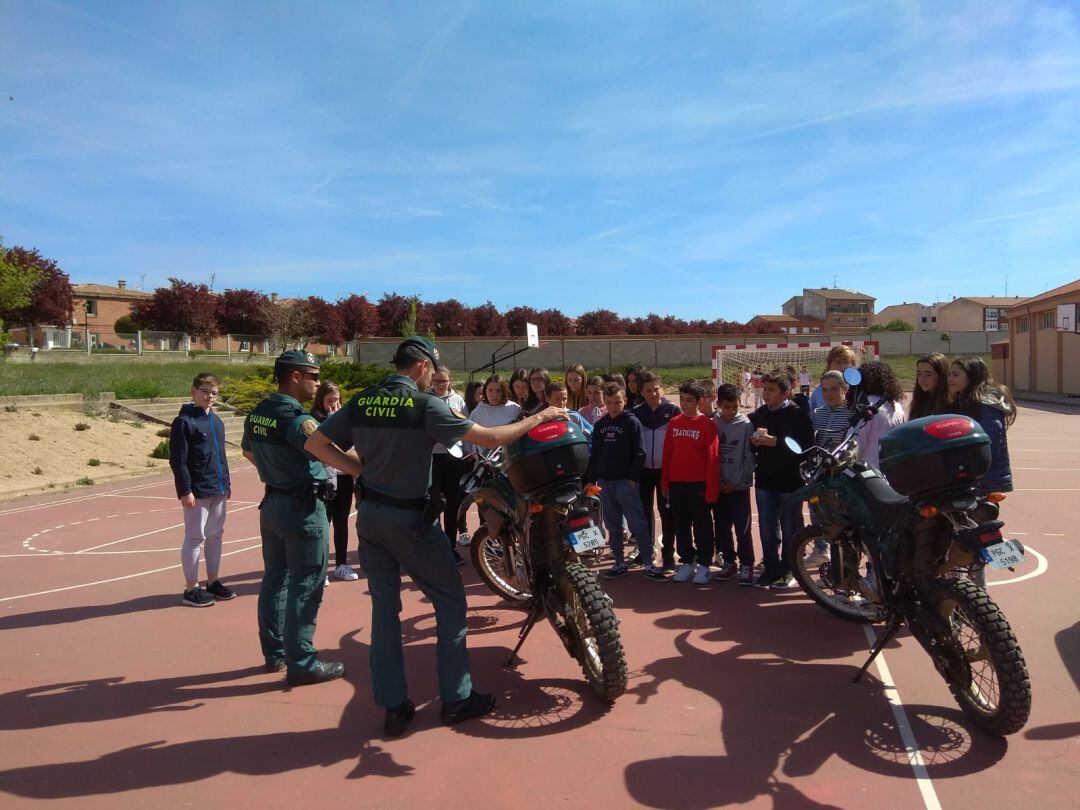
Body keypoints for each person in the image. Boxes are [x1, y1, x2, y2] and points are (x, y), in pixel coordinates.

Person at [306, 336, 570, 736]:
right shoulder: (424, 405)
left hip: (371, 517)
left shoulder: (362, 401)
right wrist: (541, 416)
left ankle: (394, 707)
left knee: (384, 612)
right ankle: (456, 697)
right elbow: (492, 439)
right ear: (423, 368)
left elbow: (315, 443)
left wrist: (359, 470)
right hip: (410, 520)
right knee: (449, 601)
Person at [241, 350, 342, 686]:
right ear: (295, 377)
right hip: (303, 508)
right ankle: (302, 661)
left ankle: (275, 654)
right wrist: (369, 468)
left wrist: (275, 472)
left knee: (275, 581)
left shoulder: (259, 413)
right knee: (306, 584)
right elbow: (334, 456)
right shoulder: (298, 420)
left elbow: (247, 451)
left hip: (273, 504)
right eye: (312, 376)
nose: (316, 382)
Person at [588, 382, 663, 580]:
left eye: (618, 402)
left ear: (625, 401)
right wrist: (591, 479)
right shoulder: (600, 425)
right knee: (613, 526)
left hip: (625, 483)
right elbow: (594, 454)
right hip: (605, 483)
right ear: (605, 402)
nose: (614, 406)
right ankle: (619, 562)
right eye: (610, 402)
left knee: (638, 524)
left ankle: (648, 563)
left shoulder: (631, 422)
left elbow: (640, 452)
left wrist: (632, 478)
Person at [170, 373, 233, 607]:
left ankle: (213, 582)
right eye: (205, 391)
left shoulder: (216, 421)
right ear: (193, 391)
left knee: (216, 535)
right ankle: (191, 588)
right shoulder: (185, 422)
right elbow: (178, 460)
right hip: (197, 491)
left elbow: (221, 456)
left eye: (214, 393)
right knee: (196, 537)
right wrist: (185, 490)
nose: (209, 397)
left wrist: (226, 484)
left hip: (218, 488)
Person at [749, 371, 814, 589]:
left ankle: (789, 569)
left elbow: (804, 448)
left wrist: (775, 441)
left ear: (785, 393)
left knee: (789, 528)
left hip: (790, 481)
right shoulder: (760, 414)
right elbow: (751, 444)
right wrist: (754, 441)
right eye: (765, 389)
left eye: (771, 390)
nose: (766, 394)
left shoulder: (798, 415)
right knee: (767, 527)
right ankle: (770, 567)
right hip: (765, 480)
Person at [661, 380, 720, 585]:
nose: (684, 404)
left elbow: (712, 460)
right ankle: (687, 561)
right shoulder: (674, 423)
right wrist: (665, 484)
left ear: (700, 401)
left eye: (689, 400)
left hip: (698, 485)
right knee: (681, 526)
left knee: (702, 526)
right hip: (677, 484)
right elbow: (667, 455)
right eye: (682, 400)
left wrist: (711, 491)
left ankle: (704, 564)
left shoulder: (707, 425)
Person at [803, 370, 855, 568]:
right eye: (824, 390)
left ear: (845, 389)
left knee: (844, 523)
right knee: (818, 512)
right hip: (819, 474)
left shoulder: (852, 414)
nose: (829, 394)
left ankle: (847, 563)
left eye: (834, 389)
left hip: (842, 477)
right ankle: (821, 550)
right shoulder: (817, 414)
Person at [947, 356, 1016, 494]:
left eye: (955, 375)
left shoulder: (986, 405)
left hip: (985, 481)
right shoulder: (962, 401)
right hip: (971, 478)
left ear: (971, 377)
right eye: (949, 374)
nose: (950, 379)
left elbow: (989, 446)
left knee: (979, 515)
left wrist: (971, 470)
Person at [311, 381, 359, 582]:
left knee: (342, 522)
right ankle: (320, 570)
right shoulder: (313, 420)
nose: (333, 404)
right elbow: (320, 446)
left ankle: (341, 564)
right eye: (329, 400)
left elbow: (352, 445)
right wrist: (331, 421)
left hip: (344, 476)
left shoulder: (345, 419)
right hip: (325, 479)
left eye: (337, 400)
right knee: (324, 523)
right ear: (321, 400)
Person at [632, 372, 679, 573]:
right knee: (643, 513)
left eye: (656, 389)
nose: (653, 393)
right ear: (641, 392)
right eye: (648, 390)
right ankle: (645, 552)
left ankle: (668, 556)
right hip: (643, 472)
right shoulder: (635, 413)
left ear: (663, 388)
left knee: (667, 514)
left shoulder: (673, 410)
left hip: (665, 472)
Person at [712, 383, 756, 586]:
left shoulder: (746, 425)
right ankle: (729, 562)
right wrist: (719, 480)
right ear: (718, 404)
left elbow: (750, 459)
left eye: (734, 407)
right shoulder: (713, 423)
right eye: (726, 407)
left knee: (743, 528)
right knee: (722, 527)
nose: (730, 411)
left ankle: (747, 564)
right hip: (719, 487)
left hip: (738, 487)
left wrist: (735, 481)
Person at [429, 365, 471, 563]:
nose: (440, 385)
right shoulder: (426, 399)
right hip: (432, 457)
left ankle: (450, 547)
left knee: (453, 503)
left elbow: (465, 425)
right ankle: (433, 546)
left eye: (444, 381)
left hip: (453, 457)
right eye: (437, 381)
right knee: (433, 502)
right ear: (431, 381)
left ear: (450, 382)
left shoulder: (458, 400)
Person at [848, 361, 907, 469]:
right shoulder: (897, 406)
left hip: (869, 474)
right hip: (891, 470)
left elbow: (854, 446)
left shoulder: (867, 407)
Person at [808, 345, 857, 411]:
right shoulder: (819, 390)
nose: (842, 366)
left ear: (852, 365)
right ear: (829, 365)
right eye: (838, 362)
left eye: (846, 362)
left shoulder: (859, 389)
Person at [909, 352, 950, 420]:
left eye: (928, 375)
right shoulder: (920, 400)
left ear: (941, 376)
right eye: (919, 374)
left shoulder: (951, 404)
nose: (922, 380)